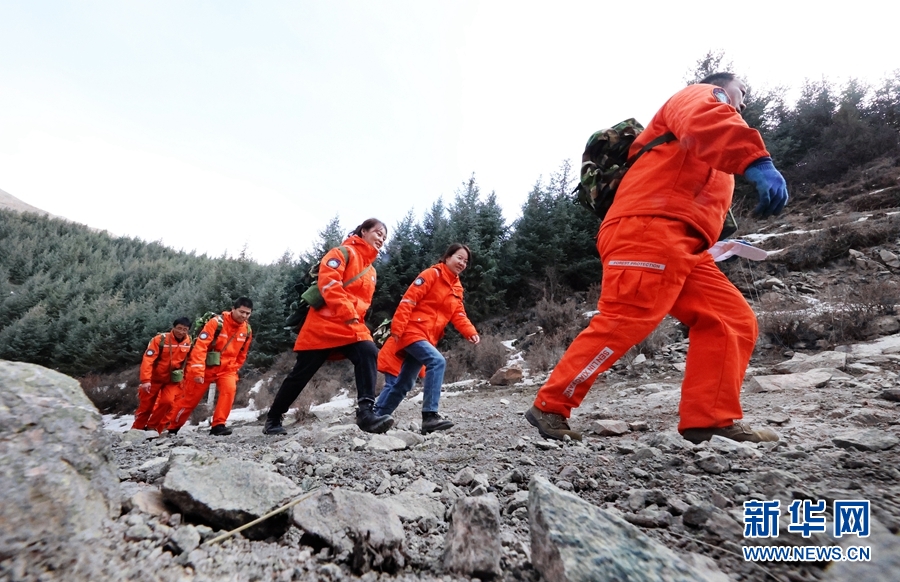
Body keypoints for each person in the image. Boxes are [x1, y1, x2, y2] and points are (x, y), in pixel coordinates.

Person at [526, 72, 789, 445]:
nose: (744, 101)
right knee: (626, 318)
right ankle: (550, 405)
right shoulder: (702, 95)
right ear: (721, 84)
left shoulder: (710, 132)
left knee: (729, 320)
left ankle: (710, 420)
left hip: (684, 242)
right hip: (649, 228)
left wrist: (714, 239)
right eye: (741, 91)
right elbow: (704, 120)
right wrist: (757, 161)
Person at [264, 219, 394, 435]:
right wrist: (348, 313)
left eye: (384, 237)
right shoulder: (341, 253)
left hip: (351, 326)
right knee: (300, 374)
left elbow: (363, 304)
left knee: (368, 351)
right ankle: (273, 418)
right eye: (378, 233)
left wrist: (357, 321)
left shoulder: (371, 271)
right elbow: (329, 284)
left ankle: (366, 413)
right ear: (363, 231)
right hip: (323, 326)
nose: (381, 239)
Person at [374, 243, 480, 434]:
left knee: (406, 382)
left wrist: (470, 331)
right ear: (447, 257)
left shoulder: (457, 287)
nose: (462, 263)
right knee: (437, 361)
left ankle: (378, 417)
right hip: (412, 331)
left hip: (428, 337)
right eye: (459, 258)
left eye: (465, 261)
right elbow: (409, 300)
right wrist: (397, 328)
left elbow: (458, 314)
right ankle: (430, 416)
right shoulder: (432, 274)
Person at [168, 297, 254, 436]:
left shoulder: (247, 330)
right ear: (233, 309)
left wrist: (234, 368)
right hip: (204, 367)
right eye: (241, 312)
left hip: (227, 369)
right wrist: (197, 370)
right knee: (189, 400)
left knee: (229, 391)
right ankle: (173, 427)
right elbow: (200, 346)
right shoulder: (216, 323)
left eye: (247, 313)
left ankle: (218, 425)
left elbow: (242, 353)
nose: (244, 316)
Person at [132, 317, 192, 433]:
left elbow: (190, 362)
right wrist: (146, 380)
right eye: (179, 328)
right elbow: (148, 360)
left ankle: (152, 427)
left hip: (172, 381)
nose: (181, 332)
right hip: (154, 379)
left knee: (168, 402)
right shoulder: (160, 340)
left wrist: (186, 379)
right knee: (146, 407)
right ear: (173, 328)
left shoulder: (189, 343)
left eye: (185, 329)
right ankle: (136, 431)